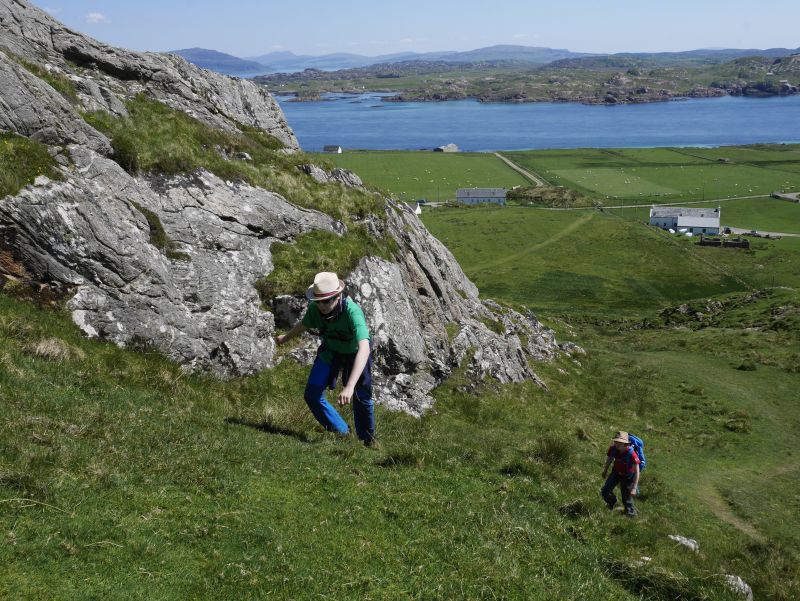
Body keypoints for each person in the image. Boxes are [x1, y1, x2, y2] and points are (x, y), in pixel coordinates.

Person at [275, 272, 376, 446]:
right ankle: (342, 433)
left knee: (361, 397)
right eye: (318, 301)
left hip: (355, 354)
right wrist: (286, 338)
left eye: (326, 301)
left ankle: (367, 441)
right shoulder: (316, 310)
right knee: (312, 395)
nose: (321, 305)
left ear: (338, 296)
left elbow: (364, 348)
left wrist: (350, 386)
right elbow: (304, 324)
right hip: (331, 352)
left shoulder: (353, 313)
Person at [601, 431, 640, 517]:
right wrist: (605, 471)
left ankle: (631, 514)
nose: (617, 444)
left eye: (620, 443)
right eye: (616, 442)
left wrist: (634, 487)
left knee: (626, 498)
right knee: (605, 491)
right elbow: (610, 459)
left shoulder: (632, 454)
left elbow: (637, 472)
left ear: (626, 444)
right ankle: (612, 502)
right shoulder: (613, 449)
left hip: (628, 477)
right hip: (616, 473)